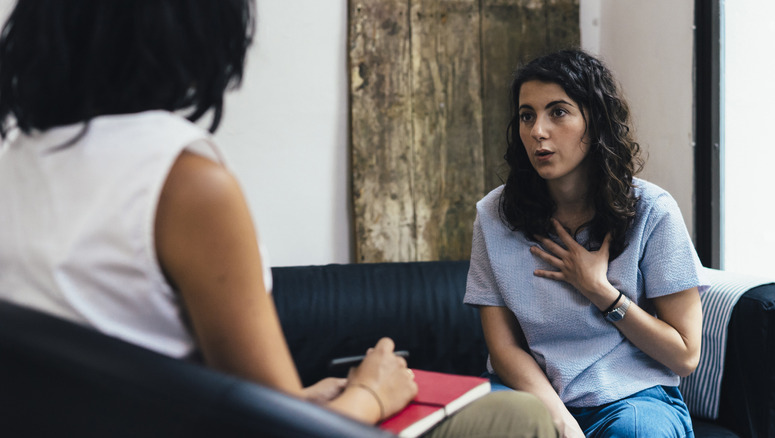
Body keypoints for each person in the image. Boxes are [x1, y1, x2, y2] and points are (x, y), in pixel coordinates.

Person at [0, 1, 556, 436]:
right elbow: (274, 431)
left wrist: (298, 397)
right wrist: (372, 392)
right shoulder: (183, 182)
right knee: (519, 419)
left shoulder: (17, 158)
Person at [463, 49, 707, 438]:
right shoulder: (494, 214)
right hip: (528, 395)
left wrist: (600, 292)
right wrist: (559, 420)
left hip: (633, 397)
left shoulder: (653, 211)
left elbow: (685, 355)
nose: (538, 131)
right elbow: (504, 349)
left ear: (595, 121)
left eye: (557, 112)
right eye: (527, 116)